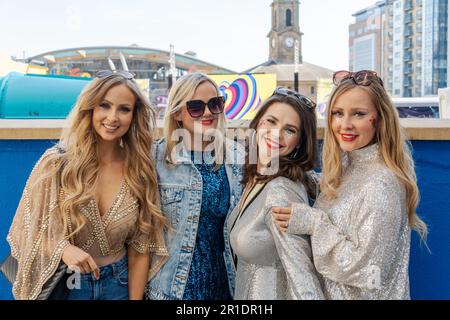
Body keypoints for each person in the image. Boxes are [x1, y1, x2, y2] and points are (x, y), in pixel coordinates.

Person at [6, 70, 169, 300]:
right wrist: (63, 249)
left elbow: (140, 249)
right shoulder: (56, 163)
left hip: (119, 286)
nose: (113, 117)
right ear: (90, 108)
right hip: (68, 286)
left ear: (134, 115)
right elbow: (25, 231)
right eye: (104, 105)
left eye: (124, 109)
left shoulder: (139, 169)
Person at [272, 70, 428, 300]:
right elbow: (344, 198)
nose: (344, 125)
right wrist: (303, 178)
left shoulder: (381, 184)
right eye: (337, 113)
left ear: (380, 119)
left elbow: (368, 270)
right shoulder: (351, 161)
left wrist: (314, 222)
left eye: (358, 114)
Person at [146, 73, 244, 300]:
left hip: (224, 289)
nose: (208, 112)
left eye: (215, 104)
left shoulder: (237, 157)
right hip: (170, 291)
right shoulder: (155, 157)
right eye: (196, 107)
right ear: (178, 113)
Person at [227, 88, 324, 300]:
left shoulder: (281, 190)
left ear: (299, 142)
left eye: (289, 130)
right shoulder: (257, 177)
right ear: (258, 122)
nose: (276, 134)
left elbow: (302, 274)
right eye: (271, 121)